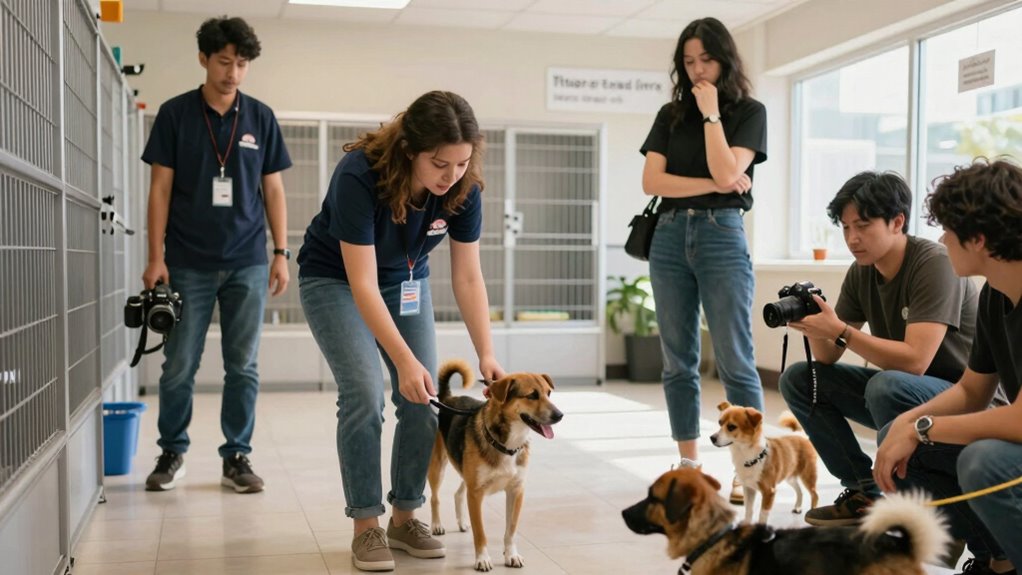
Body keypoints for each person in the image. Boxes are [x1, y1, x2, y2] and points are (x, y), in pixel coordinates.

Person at [297, 91, 505, 572]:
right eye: (439, 163)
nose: (451, 174)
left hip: (406, 281)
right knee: (365, 394)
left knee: (423, 399)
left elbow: (468, 276)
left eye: (461, 162)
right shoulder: (359, 175)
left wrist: (486, 352)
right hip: (336, 279)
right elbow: (362, 283)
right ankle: (366, 526)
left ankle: (405, 516)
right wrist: (405, 361)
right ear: (410, 149)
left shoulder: (464, 188)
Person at [140, 16, 291, 494]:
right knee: (180, 362)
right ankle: (172, 451)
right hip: (187, 259)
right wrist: (155, 257)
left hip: (247, 259)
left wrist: (281, 253)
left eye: (242, 63)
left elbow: (274, 189)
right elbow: (159, 190)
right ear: (204, 59)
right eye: (224, 61)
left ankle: (237, 456)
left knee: (242, 364)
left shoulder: (261, 117)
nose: (233, 72)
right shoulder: (175, 114)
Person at [779, 171, 978, 527]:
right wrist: (811, 321)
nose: (853, 238)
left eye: (863, 226)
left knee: (887, 384)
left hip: (963, 399)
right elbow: (827, 357)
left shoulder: (933, 262)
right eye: (845, 227)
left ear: (897, 221)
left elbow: (916, 362)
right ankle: (865, 492)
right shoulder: (862, 271)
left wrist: (839, 330)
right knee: (799, 378)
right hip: (905, 394)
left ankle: (907, 504)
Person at [640, 17, 767, 502]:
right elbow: (653, 182)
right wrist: (719, 184)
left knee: (735, 358)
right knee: (678, 360)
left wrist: (712, 113)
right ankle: (689, 461)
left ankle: (747, 466)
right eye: (688, 62)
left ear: (725, 59)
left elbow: (727, 165)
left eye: (705, 60)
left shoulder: (749, 112)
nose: (696, 71)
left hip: (721, 236)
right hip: (670, 236)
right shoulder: (670, 115)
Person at [874, 158, 1022, 575]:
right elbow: (972, 391)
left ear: (977, 238)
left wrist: (924, 428)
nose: (941, 238)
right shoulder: (996, 292)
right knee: (895, 439)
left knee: (985, 462)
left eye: (949, 230)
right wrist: (907, 423)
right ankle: (1001, 561)